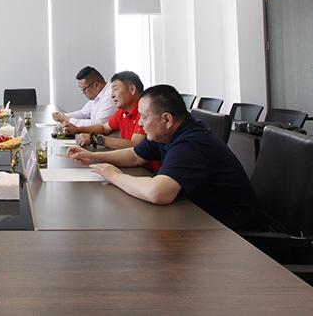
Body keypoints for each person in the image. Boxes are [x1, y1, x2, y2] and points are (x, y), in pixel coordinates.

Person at [67, 84, 263, 230]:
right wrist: (94, 157)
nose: (140, 124)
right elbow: (134, 156)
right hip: (202, 218)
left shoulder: (191, 143)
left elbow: (158, 192)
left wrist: (114, 176)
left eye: (144, 117)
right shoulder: (166, 132)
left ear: (167, 119)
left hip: (232, 233)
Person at [72, 71, 147, 151]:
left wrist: (95, 139)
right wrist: (77, 129)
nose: (112, 95)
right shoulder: (122, 112)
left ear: (132, 89)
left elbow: (134, 145)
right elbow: (104, 128)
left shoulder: (144, 111)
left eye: (115, 89)